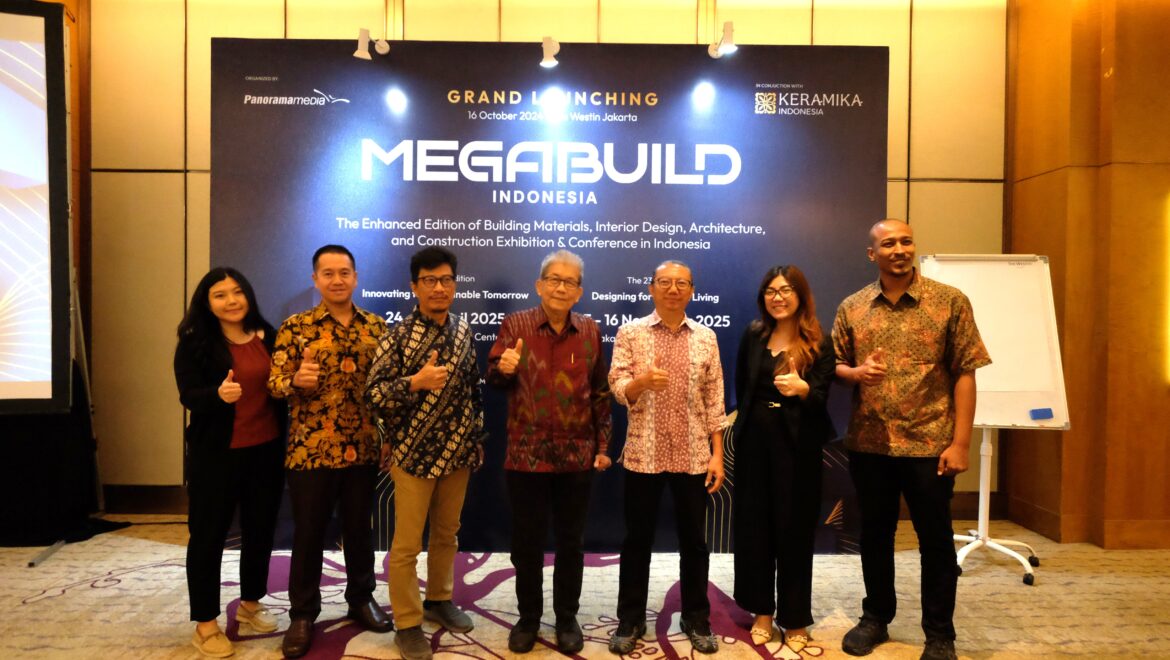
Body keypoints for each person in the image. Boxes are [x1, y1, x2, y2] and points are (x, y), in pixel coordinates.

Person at [832, 219, 991, 660]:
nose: (899, 249)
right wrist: (857, 373)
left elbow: (965, 373)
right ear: (872, 254)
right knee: (875, 536)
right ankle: (876, 617)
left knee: (935, 540)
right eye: (889, 244)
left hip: (930, 445)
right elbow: (836, 366)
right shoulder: (853, 307)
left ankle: (939, 634)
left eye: (906, 241)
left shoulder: (949, 301)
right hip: (871, 444)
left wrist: (961, 443)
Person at [267, 245, 392, 659]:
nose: (337, 280)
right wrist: (295, 381)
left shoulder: (377, 328)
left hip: (363, 448)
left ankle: (361, 598)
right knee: (308, 533)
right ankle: (303, 613)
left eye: (344, 272)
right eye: (328, 273)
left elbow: (385, 390)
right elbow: (274, 384)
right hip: (311, 451)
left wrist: (389, 436)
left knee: (359, 530)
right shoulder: (296, 327)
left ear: (355, 277)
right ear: (315, 279)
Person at [485, 250, 613, 655]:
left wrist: (604, 446)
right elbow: (494, 380)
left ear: (579, 292)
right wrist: (503, 369)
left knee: (571, 543)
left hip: (577, 456)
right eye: (553, 279)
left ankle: (566, 617)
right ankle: (527, 618)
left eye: (569, 281)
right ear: (539, 285)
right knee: (527, 543)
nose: (561, 287)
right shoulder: (516, 325)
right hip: (526, 455)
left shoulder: (590, 330)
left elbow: (600, 393)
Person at [365, 246, 484, 660]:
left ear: (455, 285)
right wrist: (415, 382)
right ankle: (407, 624)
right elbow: (373, 394)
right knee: (406, 546)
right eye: (430, 280)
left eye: (446, 280)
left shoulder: (464, 331)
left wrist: (475, 438)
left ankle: (438, 599)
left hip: (457, 453)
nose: (439, 288)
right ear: (414, 286)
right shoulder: (397, 336)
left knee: (447, 534)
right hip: (413, 455)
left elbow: (473, 390)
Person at [607, 260, 727, 656]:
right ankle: (631, 618)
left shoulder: (706, 337)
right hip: (644, 452)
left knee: (694, 542)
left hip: (693, 454)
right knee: (636, 540)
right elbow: (616, 383)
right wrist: (640, 383)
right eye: (665, 282)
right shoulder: (631, 332)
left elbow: (714, 398)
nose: (673, 289)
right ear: (651, 288)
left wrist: (717, 455)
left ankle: (696, 617)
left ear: (692, 290)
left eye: (681, 283)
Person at [174, 267, 285, 658]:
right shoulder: (195, 341)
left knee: (260, 531)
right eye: (220, 295)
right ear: (207, 303)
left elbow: (281, 386)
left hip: (266, 451)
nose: (231, 300)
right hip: (216, 455)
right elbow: (188, 394)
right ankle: (205, 624)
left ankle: (251, 605)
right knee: (208, 537)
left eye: (237, 292)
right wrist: (217, 395)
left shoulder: (269, 335)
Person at [731, 265, 835, 653]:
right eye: (771, 291)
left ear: (800, 295)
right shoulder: (754, 335)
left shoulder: (819, 342)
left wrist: (803, 388)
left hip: (798, 449)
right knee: (755, 529)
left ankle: (794, 617)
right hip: (754, 446)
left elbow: (823, 398)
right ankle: (761, 611)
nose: (778, 297)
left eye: (786, 290)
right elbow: (741, 386)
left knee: (795, 533)